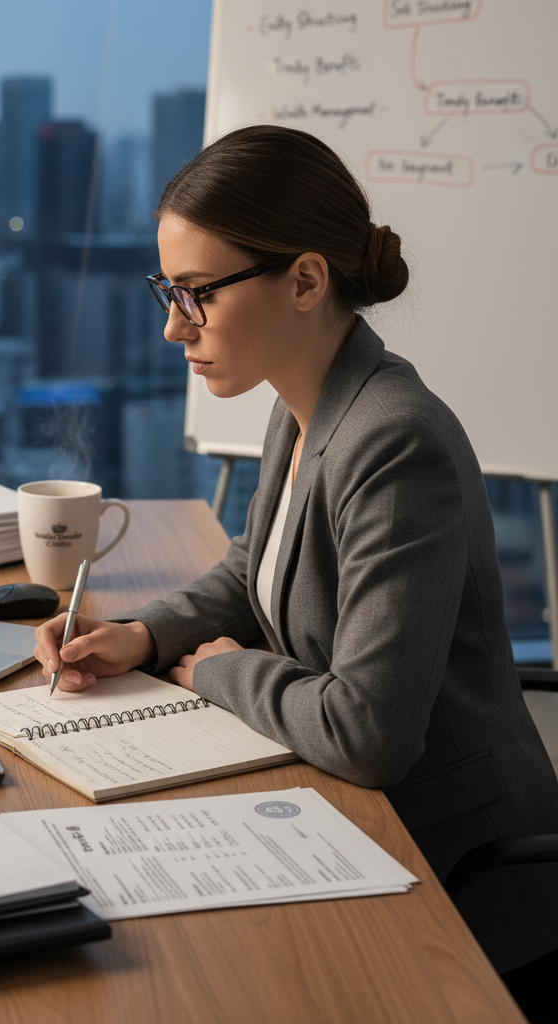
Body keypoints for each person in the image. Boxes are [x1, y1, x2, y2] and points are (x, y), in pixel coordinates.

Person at [32, 125, 558, 998]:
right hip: (355, 824)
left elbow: (368, 734)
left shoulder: (396, 442)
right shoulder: (304, 402)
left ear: (306, 281)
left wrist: (220, 673)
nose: (173, 325)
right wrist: (141, 635)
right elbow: (256, 570)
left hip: (461, 882)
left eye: (197, 293)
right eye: (167, 291)